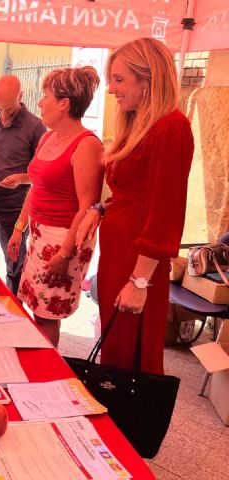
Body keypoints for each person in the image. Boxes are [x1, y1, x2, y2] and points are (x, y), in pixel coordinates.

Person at [76, 38, 194, 375]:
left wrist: (140, 281)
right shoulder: (138, 125)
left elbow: (166, 209)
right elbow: (128, 192)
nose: (111, 89)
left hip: (139, 261)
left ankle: (128, 426)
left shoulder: (172, 127)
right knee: (116, 347)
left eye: (119, 79)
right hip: (119, 252)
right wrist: (99, 210)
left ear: (148, 79)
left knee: (131, 356)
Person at [7, 67, 104, 347]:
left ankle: (47, 370)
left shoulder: (86, 145)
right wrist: (19, 227)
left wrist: (65, 253)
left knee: (47, 312)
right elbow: (37, 186)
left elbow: (87, 207)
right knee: (35, 304)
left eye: (46, 95)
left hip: (64, 239)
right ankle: (39, 361)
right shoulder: (49, 137)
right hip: (39, 234)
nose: (39, 102)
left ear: (65, 103)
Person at [0, 75, 46, 294]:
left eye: (9, 110)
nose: (3, 115)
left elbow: (40, 175)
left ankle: (15, 311)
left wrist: (21, 178)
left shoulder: (36, 126)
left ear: (20, 97)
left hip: (14, 210)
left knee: (15, 267)